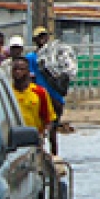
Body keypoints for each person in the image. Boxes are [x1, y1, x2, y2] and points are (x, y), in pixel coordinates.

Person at [25, 26, 67, 155]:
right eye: (39, 37)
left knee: (53, 132)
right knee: (40, 130)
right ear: (35, 40)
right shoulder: (31, 58)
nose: (42, 39)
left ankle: (54, 157)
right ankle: (41, 156)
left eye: (44, 36)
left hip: (55, 97)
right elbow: (31, 78)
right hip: (40, 97)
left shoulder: (55, 55)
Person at [11, 57, 55, 138]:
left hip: (33, 140)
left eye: (21, 69)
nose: (18, 72)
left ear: (28, 72)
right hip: (12, 140)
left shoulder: (40, 92)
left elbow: (49, 120)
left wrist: (43, 134)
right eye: (15, 69)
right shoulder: (8, 92)